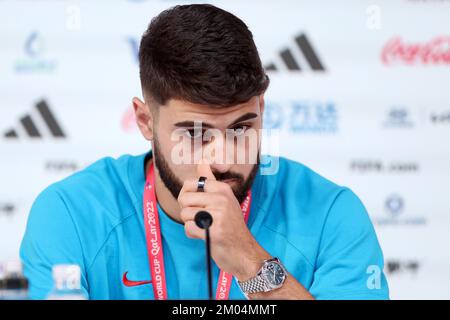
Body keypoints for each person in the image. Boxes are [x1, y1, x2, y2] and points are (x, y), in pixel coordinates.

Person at [20, 4, 389, 300]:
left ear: (261, 108)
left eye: (242, 128)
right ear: (146, 121)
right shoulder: (70, 214)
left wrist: (250, 262)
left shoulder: (331, 214)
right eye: (196, 134)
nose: (224, 159)